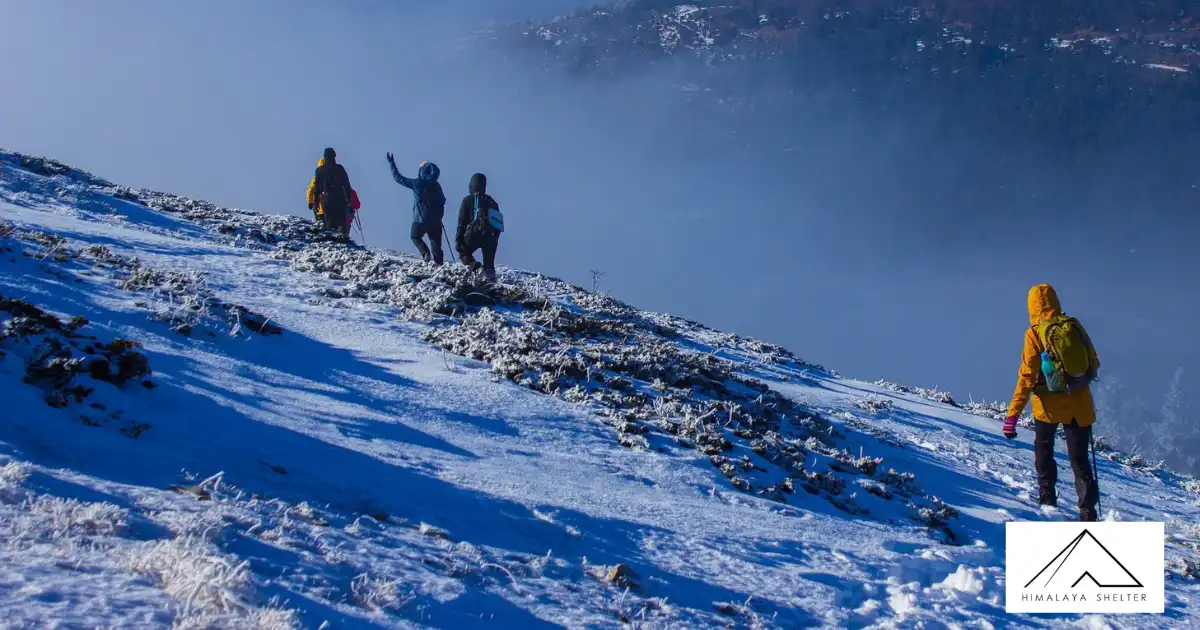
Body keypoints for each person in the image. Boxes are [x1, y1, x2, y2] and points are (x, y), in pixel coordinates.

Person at [1003, 283, 1101, 521]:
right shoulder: (1074, 325)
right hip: (1080, 405)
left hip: (1047, 407)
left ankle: (1047, 500)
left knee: (1043, 449)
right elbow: (1094, 363)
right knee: (1079, 459)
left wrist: (1012, 416)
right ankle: (1087, 511)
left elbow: (1026, 377)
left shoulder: (1034, 333)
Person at [387, 152, 446, 264]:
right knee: (436, 243)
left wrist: (391, 163)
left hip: (420, 219)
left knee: (414, 236)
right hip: (436, 221)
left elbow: (398, 178)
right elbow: (443, 201)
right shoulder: (437, 185)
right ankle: (439, 264)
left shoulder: (417, 182)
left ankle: (425, 253)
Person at [455, 173, 502, 280]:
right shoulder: (492, 201)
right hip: (491, 236)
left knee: (463, 253)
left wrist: (458, 240)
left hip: (474, 232)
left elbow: (461, 223)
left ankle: (477, 268)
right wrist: (494, 238)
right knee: (489, 263)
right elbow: (498, 223)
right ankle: (490, 280)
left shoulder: (468, 200)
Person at [310, 148, 354, 235]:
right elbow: (347, 186)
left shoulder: (319, 171)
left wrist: (316, 202)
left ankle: (331, 243)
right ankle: (343, 243)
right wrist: (349, 201)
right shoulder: (340, 168)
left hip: (326, 201)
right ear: (334, 156)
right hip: (340, 200)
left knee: (329, 225)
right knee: (342, 225)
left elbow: (317, 188)